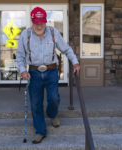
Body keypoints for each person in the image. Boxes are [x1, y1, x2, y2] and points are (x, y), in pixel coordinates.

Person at [16, 7, 80, 144]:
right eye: (36, 23)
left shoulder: (53, 32)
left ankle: (52, 114)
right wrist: (23, 71)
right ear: (32, 21)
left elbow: (66, 49)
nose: (39, 26)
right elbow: (20, 57)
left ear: (45, 21)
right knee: (36, 104)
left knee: (54, 98)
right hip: (33, 72)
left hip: (51, 71)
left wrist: (75, 62)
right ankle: (40, 131)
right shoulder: (25, 35)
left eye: (41, 22)